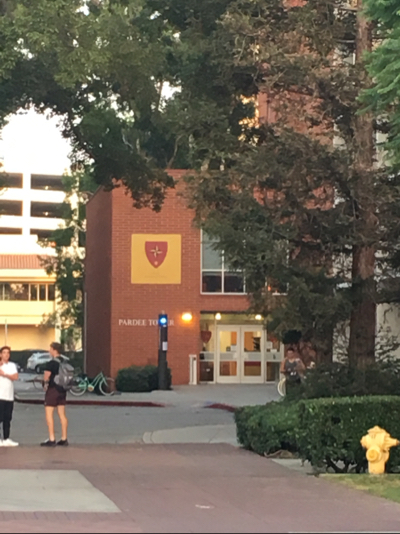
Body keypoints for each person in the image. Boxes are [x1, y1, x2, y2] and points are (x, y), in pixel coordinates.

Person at [41, 342, 68, 447]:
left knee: (49, 414)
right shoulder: (65, 361)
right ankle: (64, 438)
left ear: (54, 350)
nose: (49, 351)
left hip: (53, 389)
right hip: (63, 389)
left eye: (50, 349)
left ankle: (52, 439)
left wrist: (44, 385)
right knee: (62, 414)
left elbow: (46, 376)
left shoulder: (51, 363)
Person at [0, 346, 19, 447]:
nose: (6, 355)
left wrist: (5, 374)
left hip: (9, 396)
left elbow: (15, 377)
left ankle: (6, 438)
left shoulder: (12, 365)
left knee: (7, 418)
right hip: (0, 395)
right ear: (0, 354)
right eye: (4, 353)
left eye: (8, 353)